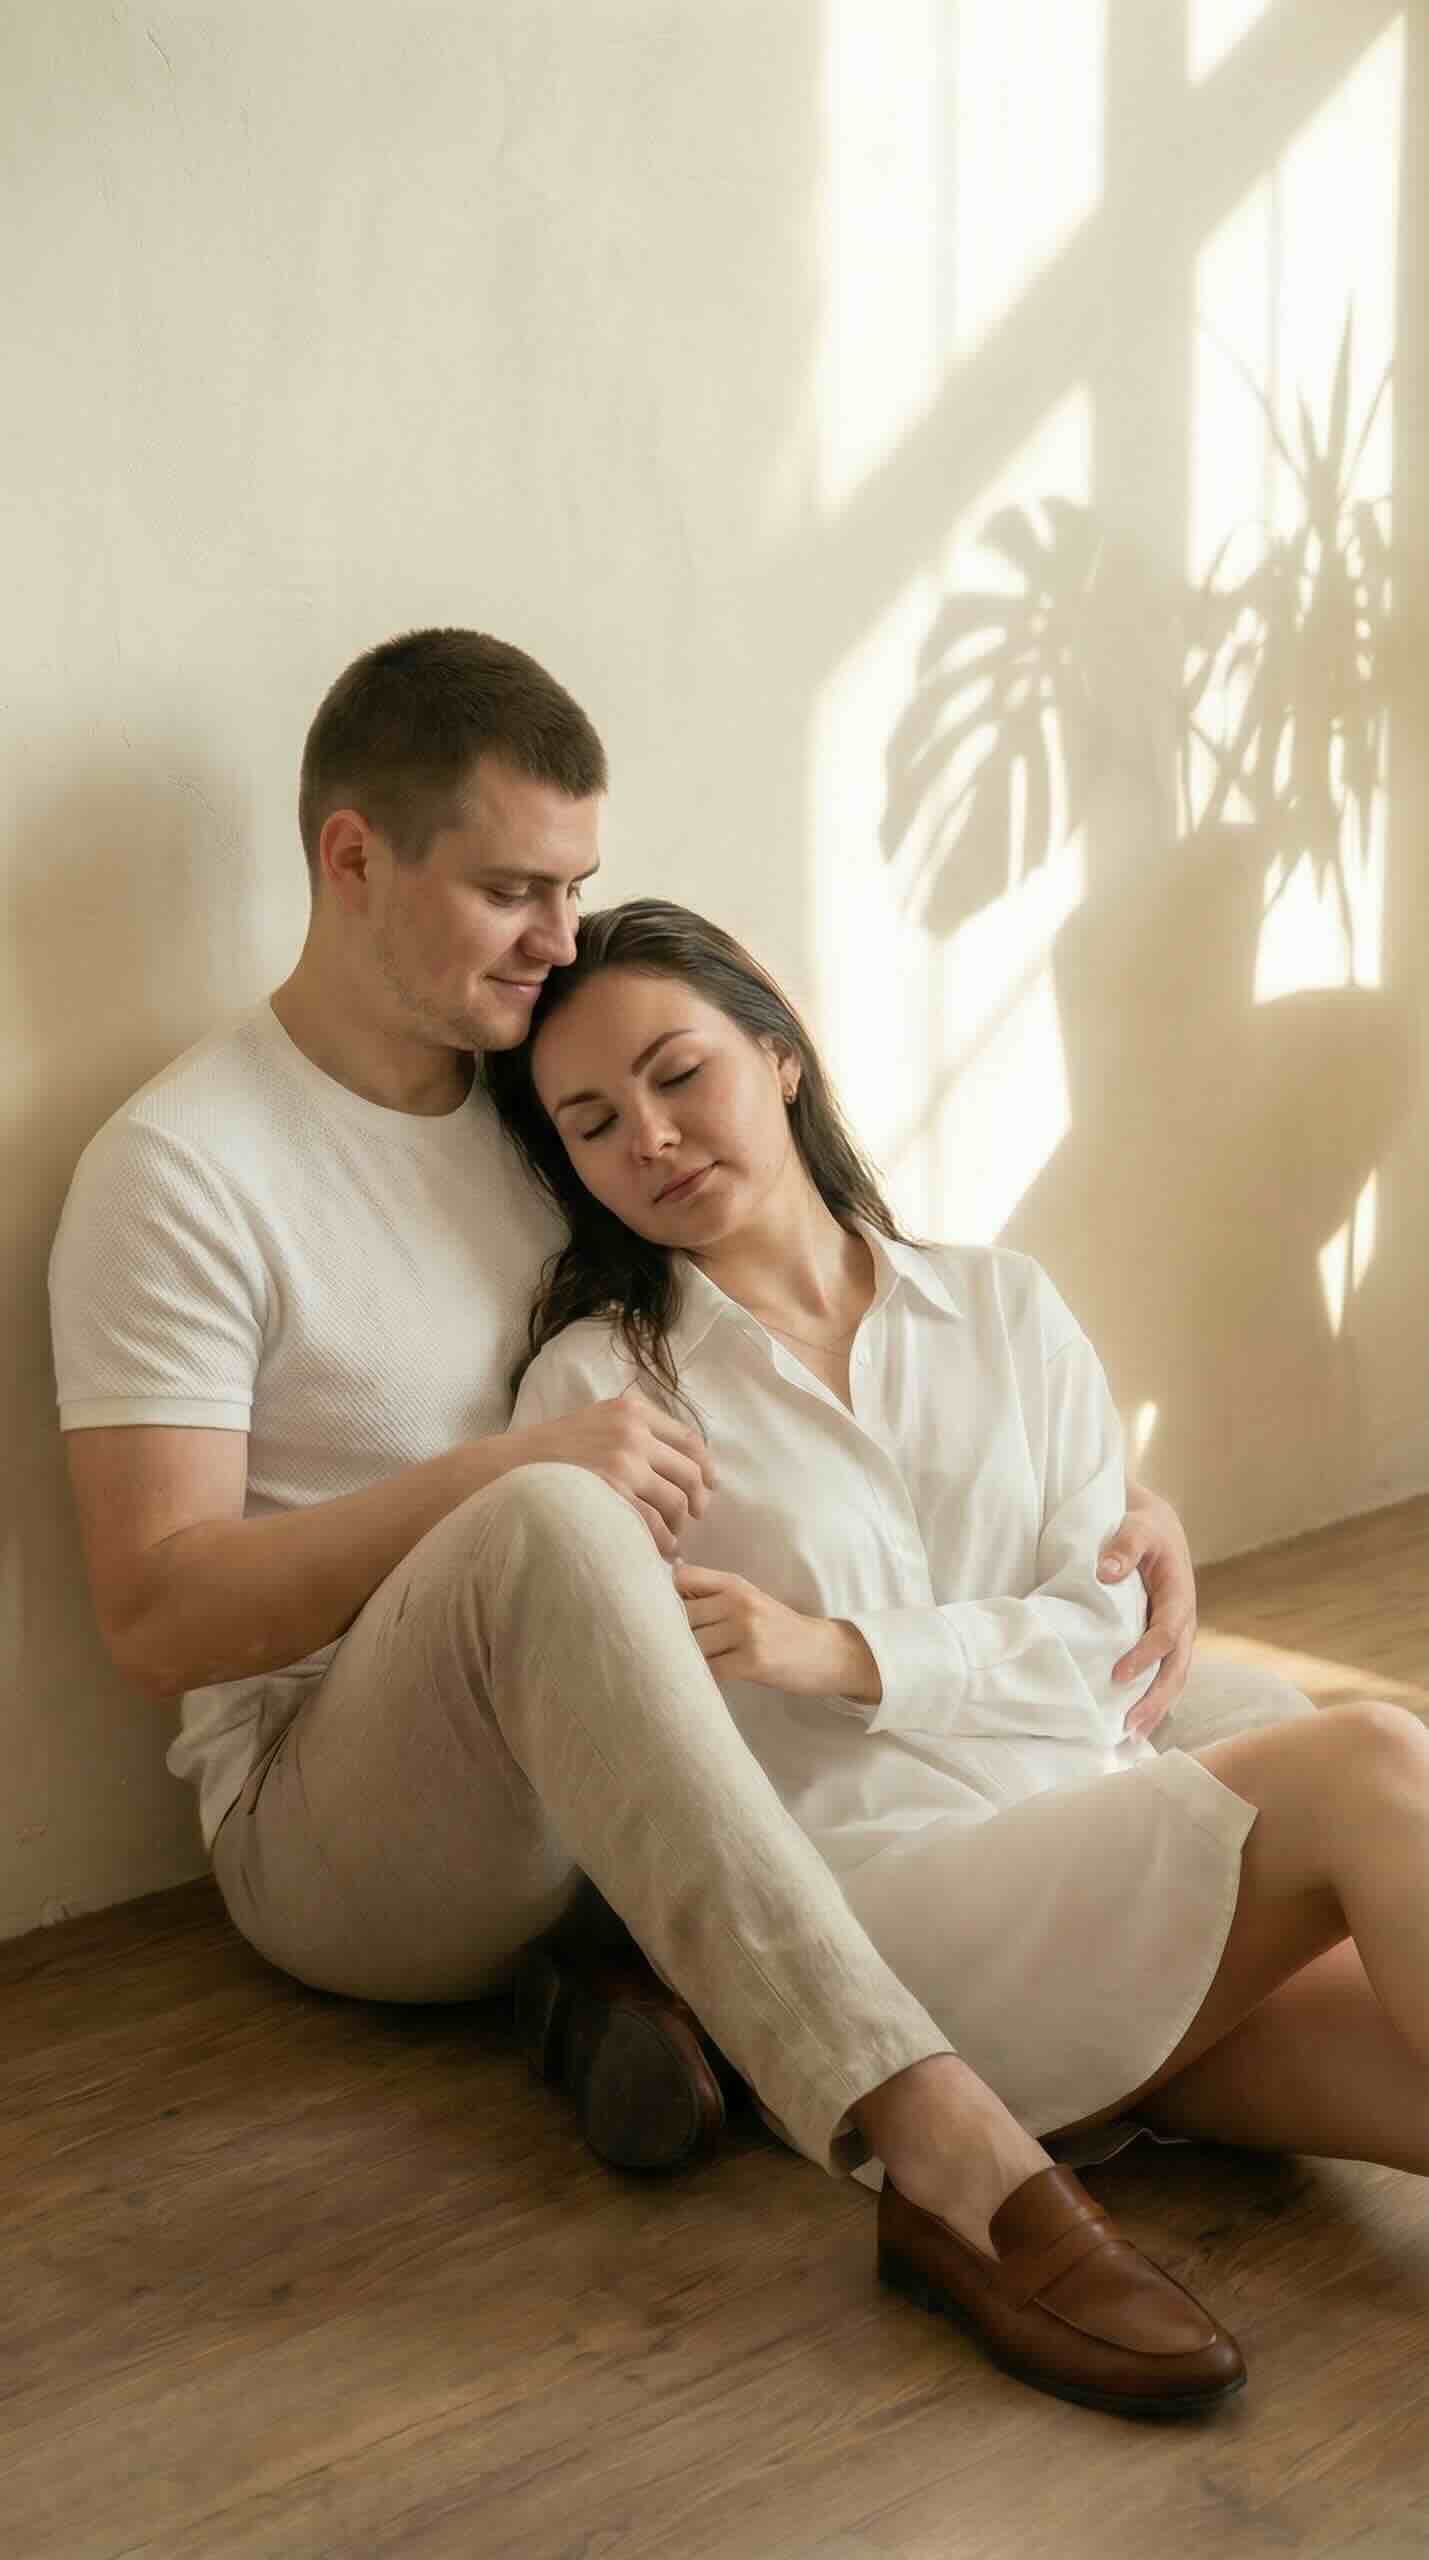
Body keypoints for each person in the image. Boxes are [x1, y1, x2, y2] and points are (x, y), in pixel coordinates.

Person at [52, 628, 1264, 2422]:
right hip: (342, 1813)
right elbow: (156, 1620)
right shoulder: (184, 1170)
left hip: (631, 1748)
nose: (554, 943)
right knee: (550, 1529)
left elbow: (827, 1303)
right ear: (353, 859)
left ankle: (628, 1984)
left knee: (1250, 1722)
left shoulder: (538, 1103)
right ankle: (938, 2147)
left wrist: (1104, 1498)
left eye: (575, 892)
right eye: (512, 892)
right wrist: (500, 1486)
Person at [485, 894, 1429, 2346]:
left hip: (1106, 1865)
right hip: (896, 1932)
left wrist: (839, 1653)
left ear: (778, 1056)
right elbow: (655, 1749)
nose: (652, 1139)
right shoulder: (602, 1398)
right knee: (1370, 1757)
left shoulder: (1003, 1306)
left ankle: (1131, 2073)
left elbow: (1103, 1643)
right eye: (594, 1123)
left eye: (679, 1076)